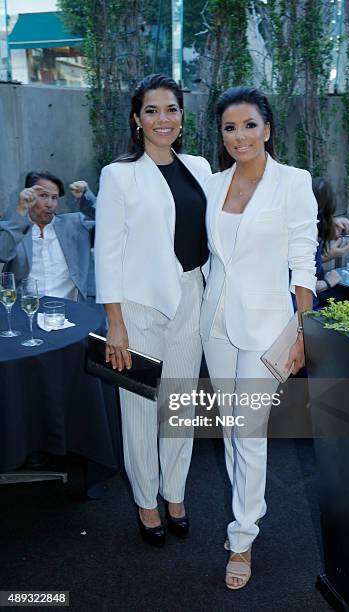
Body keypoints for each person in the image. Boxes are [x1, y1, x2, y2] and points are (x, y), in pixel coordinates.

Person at [200, 86, 317, 589]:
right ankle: (248, 508)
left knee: (248, 431)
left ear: (267, 129)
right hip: (217, 325)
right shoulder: (212, 183)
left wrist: (300, 333)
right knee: (232, 429)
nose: (240, 136)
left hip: (269, 325)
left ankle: (243, 535)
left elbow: (303, 259)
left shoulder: (293, 182)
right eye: (230, 127)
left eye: (250, 125)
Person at [94, 74, 211, 547]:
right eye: (152, 111)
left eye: (172, 110)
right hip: (138, 305)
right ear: (136, 119)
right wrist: (115, 323)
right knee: (141, 408)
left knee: (178, 405)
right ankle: (146, 501)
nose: (163, 119)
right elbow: (107, 252)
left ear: (182, 117)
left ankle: (175, 493)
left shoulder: (200, 167)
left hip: (192, 296)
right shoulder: (119, 174)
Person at [0, 171, 95, 300]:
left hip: (70, 309)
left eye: (54, 198)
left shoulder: (76, 225)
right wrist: (22, 209)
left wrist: (86, 198)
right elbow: (2, 254)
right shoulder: (14, 229)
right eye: (43, 195)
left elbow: (108, 224)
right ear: (28, 195)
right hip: (27, 309)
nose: (49, 204)